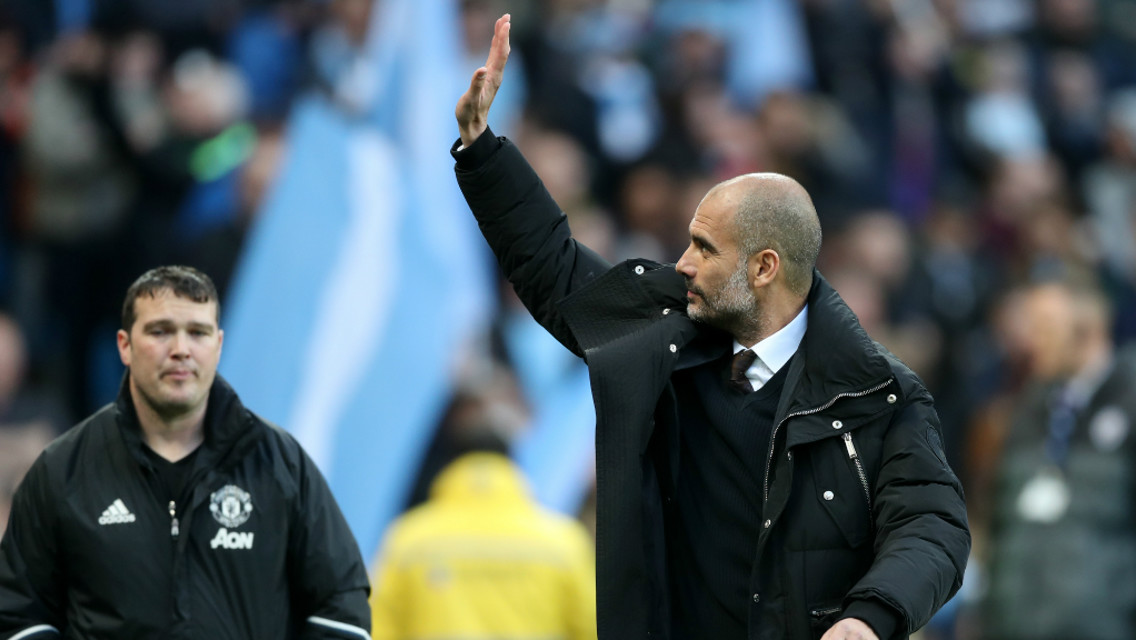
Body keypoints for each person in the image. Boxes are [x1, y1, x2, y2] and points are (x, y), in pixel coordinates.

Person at [451, 15, 970, 640]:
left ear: (763, 268)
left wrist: (869, 616)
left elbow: (933, 526)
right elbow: (556, 268)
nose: (683, 262)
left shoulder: (879, 395)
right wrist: (482, 148)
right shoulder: (663, 335)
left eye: (704, 247)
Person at [0, 265, 371, 639]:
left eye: (198, 333)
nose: (181, 350)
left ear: (218, 345)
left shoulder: (281, 465)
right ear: (124, 346)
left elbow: (341, 607)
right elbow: (17, 614)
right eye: (160, 332)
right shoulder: (63, 470)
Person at [982, 277, 1136, 640]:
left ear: (1090, 328)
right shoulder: (1025, 408)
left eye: (1045, 328)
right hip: (1017, 623)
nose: (1031, 341)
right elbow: (1000, 521)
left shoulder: (1130, 400)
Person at [370, 428, 597, 640]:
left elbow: (380, 627)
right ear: (512, 466)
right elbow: (592, 627)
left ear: (450, 466)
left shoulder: (409, 538)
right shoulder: (564, 541)